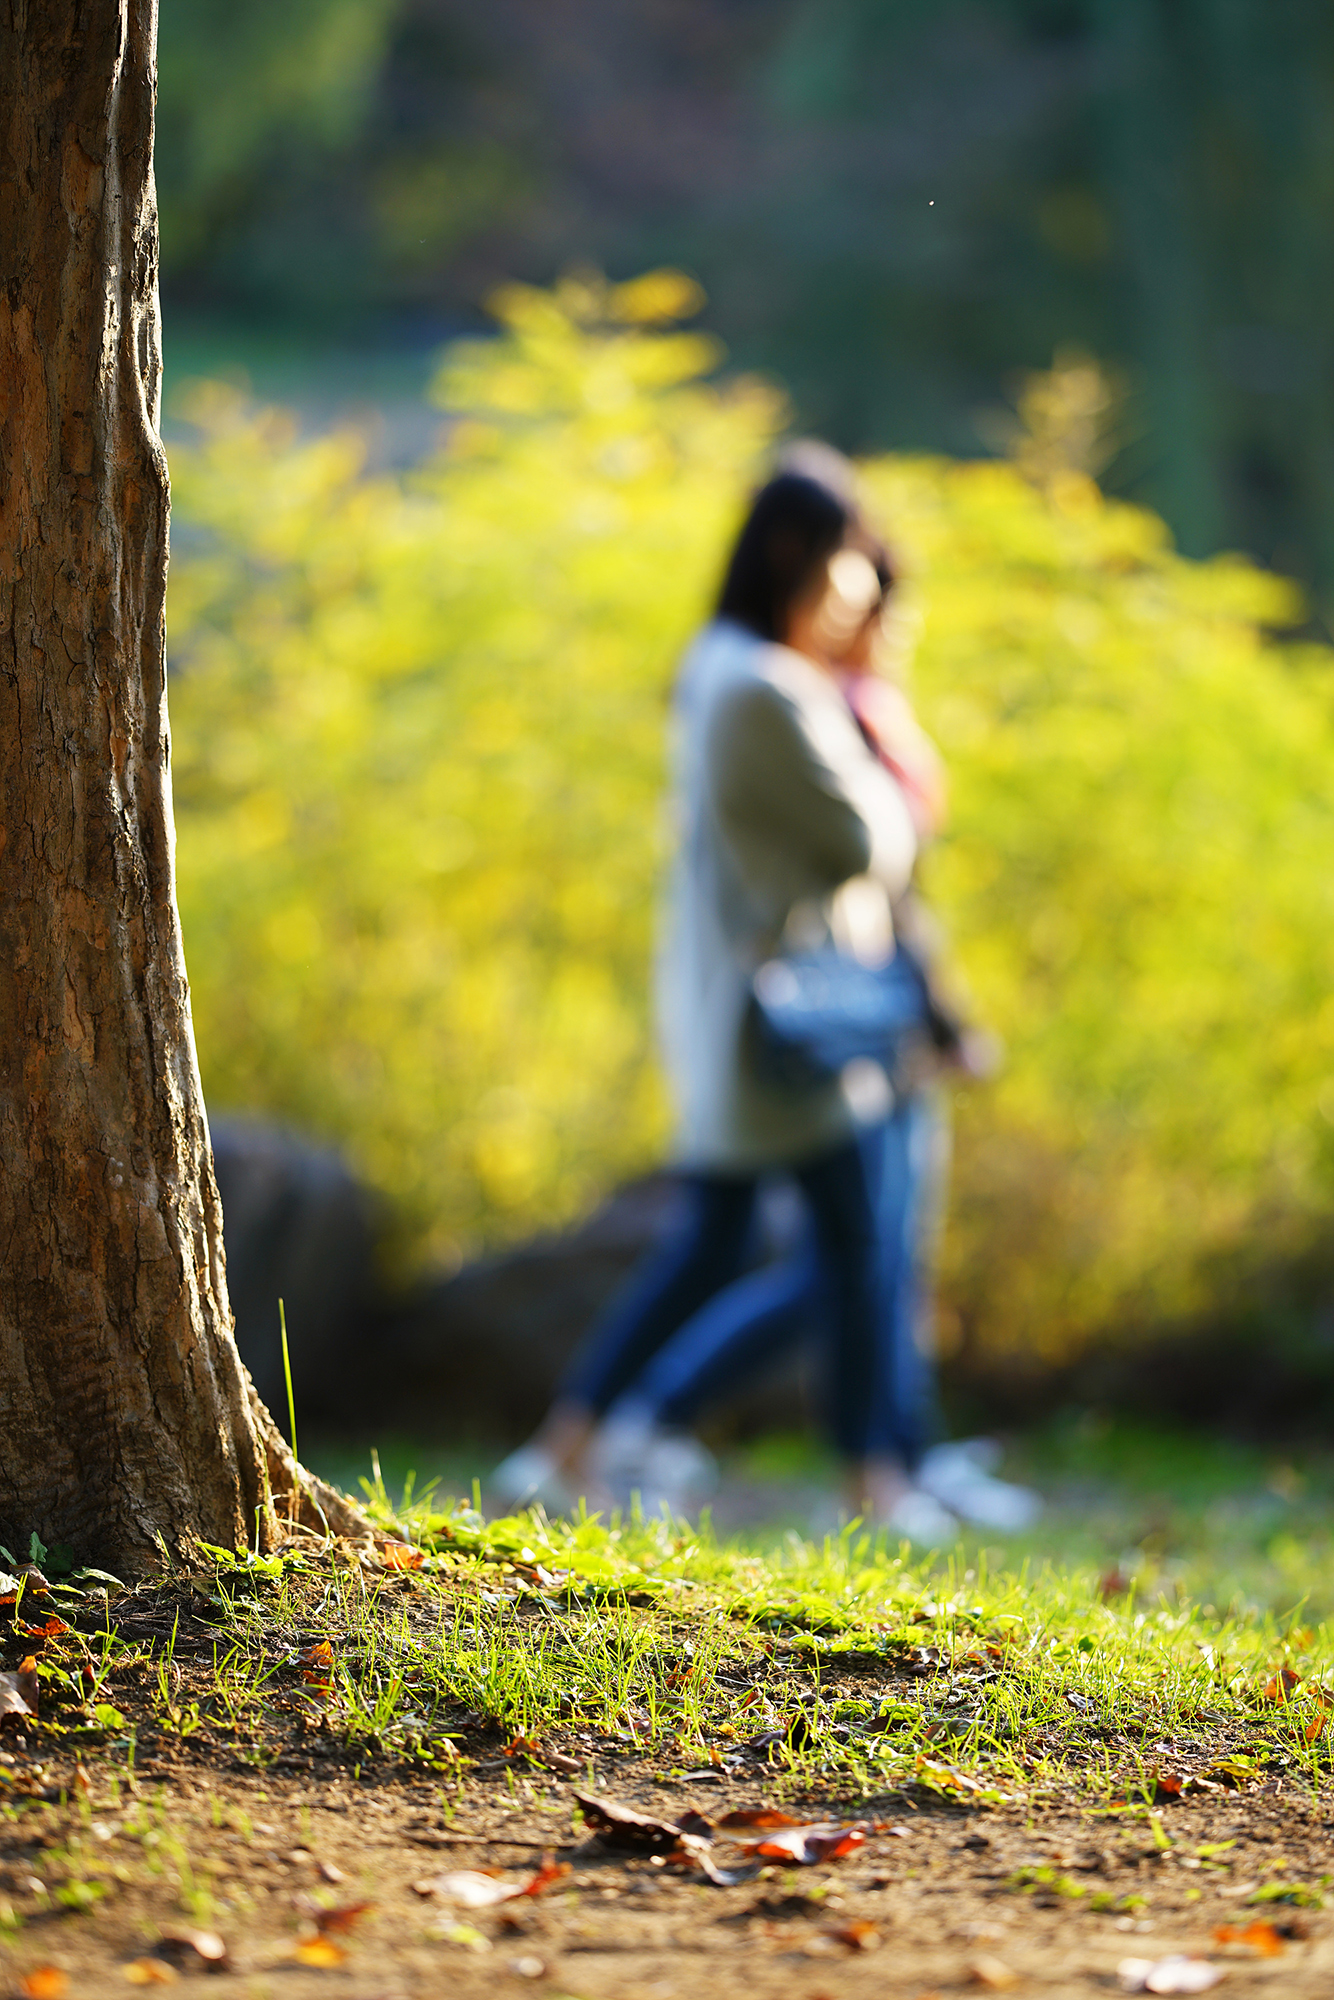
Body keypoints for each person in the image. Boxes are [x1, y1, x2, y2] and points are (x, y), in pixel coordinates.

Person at [493, 471, 954, 1539]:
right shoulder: (760, 686)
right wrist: (883, 794)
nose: (856, 586)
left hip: (749, 1005)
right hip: (784, 1016)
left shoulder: (730, 670)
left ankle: (565, 1446)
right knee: (848, 1245)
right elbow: (865, 840)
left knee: (725, 1239)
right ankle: (872, 1484)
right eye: (846, 555)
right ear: (797, 552)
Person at [584, 548, 1040, 1532]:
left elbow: (896, 877)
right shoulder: (780, 693)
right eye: (861, 607)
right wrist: (940, 1009)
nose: (873, 629)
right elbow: (874, 856)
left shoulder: (820, 695)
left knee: (868, 1249)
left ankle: (895, 1459)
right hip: (830, 1006)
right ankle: (664, 1429)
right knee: (842, 1249)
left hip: (871, 1000)